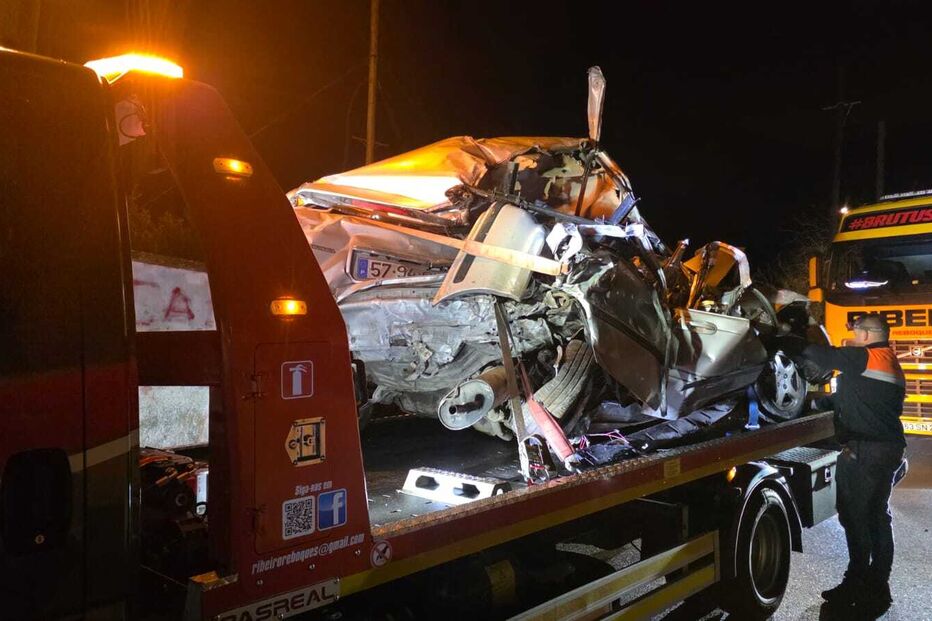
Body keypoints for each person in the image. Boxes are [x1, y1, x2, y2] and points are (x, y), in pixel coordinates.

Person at [799, 314, 906, 617]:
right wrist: (819, 404)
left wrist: (790, 339)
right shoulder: (886, 361)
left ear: (867, 334)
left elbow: (819, 354)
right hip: (885, 449)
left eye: (855, 331)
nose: (851, 336)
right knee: (876, 517)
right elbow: (858, 397)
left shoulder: (865, 357)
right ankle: (876, 586)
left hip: (866, 451)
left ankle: (857, 584)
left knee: (857, 518)